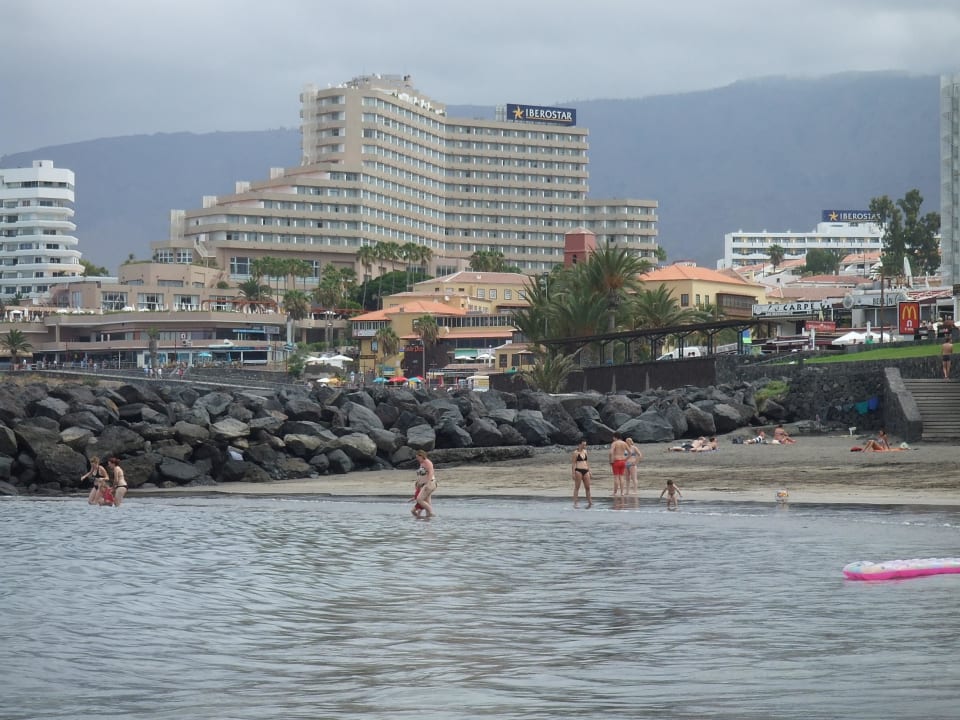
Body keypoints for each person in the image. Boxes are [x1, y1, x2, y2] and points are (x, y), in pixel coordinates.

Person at [412, 450, 437, 517]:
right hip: (423, 484)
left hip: (430, 483)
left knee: (419, 499)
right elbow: (422, 475)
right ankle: (428, 519)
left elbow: (431, 473)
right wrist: (418, 483)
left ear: (422, 456)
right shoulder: (422, 463)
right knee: (427, 501)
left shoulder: (428, 463)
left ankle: (431, 513)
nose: (417, 459)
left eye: (418, 457)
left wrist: (427, 484)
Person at [571, 439, 593, 508]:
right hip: (578, 470)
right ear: (580, 444)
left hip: (585, 470)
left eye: (585, 445)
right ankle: (575, 503)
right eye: (583, 445)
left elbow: (587, 462)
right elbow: (573, 463)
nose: (584, 446)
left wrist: (589, 471)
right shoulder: (575, 453)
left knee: (588, 487)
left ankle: (590, 502)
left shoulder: (585, 451)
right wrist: (573, 473)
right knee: (577, 487)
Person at [608, 432, 628, 497]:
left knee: (616, 477)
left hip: (616, 461)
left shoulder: (614, 443)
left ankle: (615, 492)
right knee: (621, 477)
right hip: (623, 461)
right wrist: (626, 459)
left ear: (615, 437)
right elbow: (630, 452)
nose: (612, 438)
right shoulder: (624, 443)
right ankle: (622, 492)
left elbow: (611, 452)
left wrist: (610, 460)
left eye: (613, 437)